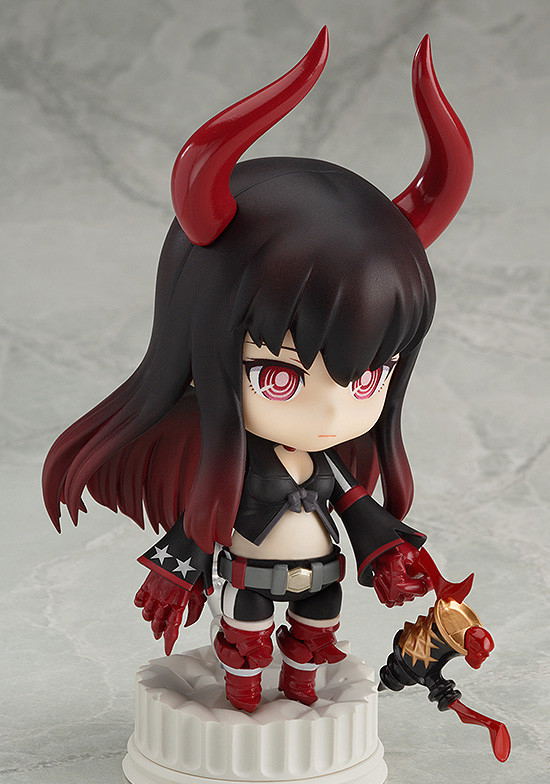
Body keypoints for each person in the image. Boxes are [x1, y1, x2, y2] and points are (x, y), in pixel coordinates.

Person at [42, 29, 473, 712]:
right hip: (246, 576)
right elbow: (198, 525)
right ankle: (244, 698)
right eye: (282, 376)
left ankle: (299, 692)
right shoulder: (229, 471)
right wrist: (174, 574)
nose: (332, 413)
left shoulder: (332, 466)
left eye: (367, 377)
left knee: (316, 634)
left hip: (320, 576)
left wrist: (393, 555)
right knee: (245, 642)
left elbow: (359, 509)